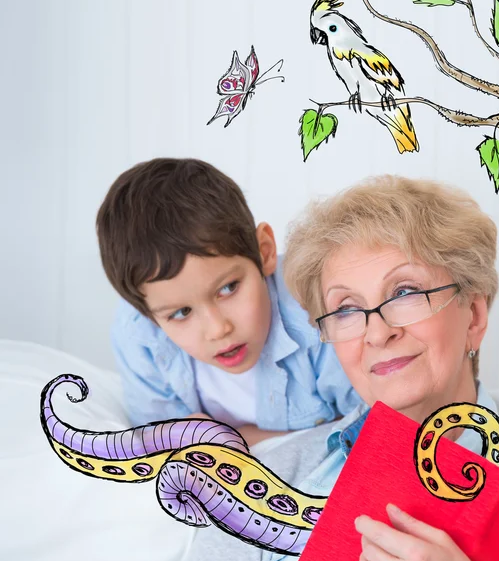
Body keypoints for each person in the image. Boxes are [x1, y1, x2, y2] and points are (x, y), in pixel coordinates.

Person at [183, 174, 499, 561]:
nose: (377, 332)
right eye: (347, 309)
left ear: (473, 315)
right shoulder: (265, 481)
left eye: (405, 292)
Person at [95, 157, 362, 445]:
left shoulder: (317, 312)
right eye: (182, 312)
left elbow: (369, 426)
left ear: (265, 252)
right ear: (148, 314)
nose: (218, 329)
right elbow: (162, 446)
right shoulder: (139, 334)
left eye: (228, 288)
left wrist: (236, 439)